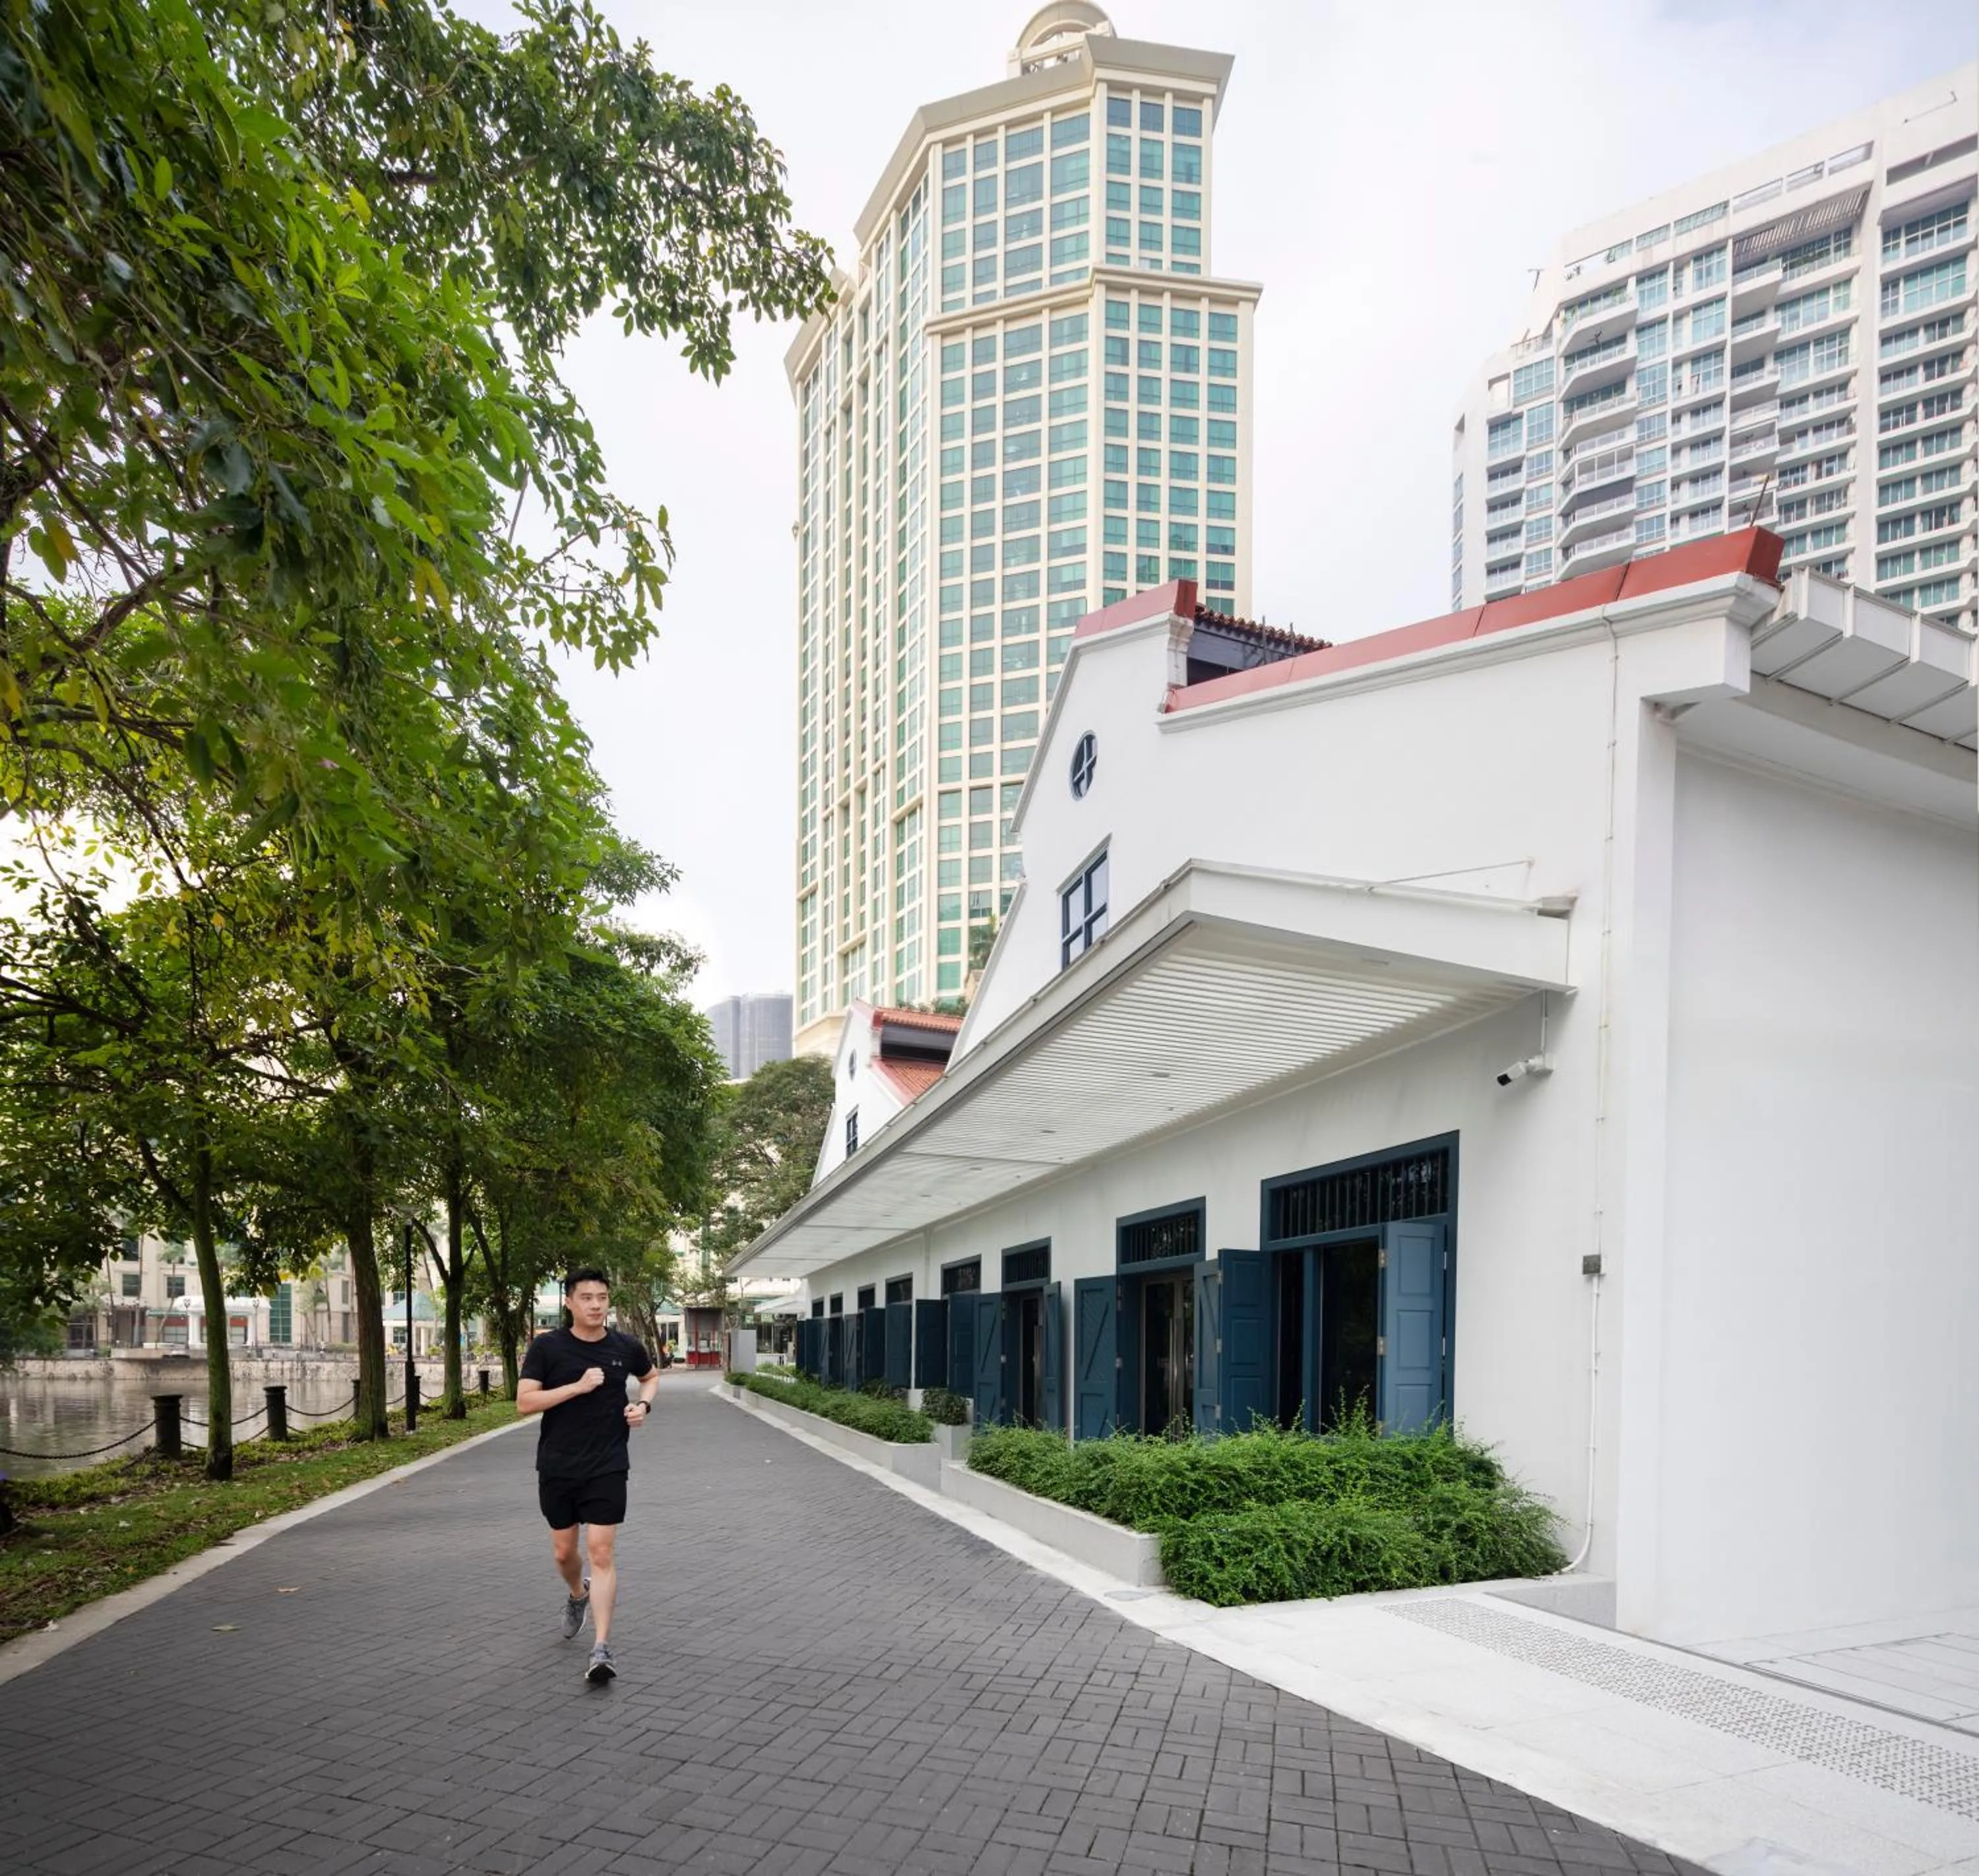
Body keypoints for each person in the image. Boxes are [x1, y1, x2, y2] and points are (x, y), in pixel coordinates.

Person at [517, 1266, 656, 1683]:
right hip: (559, 1464)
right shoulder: (548, 1347)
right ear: (569, 1302)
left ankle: (601, 1649)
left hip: (608, 1463)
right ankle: (578, 1593)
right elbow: (524, 1403)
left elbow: (649, 1378)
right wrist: (576, 1387)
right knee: (564, 1553)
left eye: (602, 1297)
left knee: (602, 1552)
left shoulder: (626, 1346)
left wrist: (643, 1406)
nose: (596, 1305)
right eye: (587, 1298)